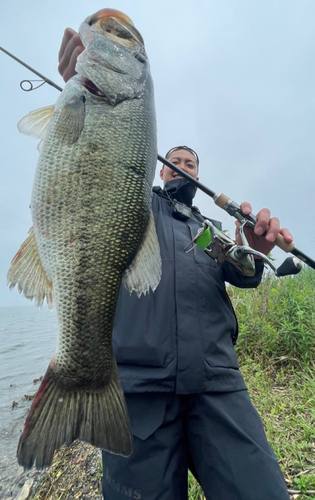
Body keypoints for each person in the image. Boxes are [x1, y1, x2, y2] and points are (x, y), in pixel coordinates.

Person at [58, 27, 293, 500]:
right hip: (140, 393)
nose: (183, 165)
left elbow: (241, 277)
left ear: (199, 174)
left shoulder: (207, 227)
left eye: (192, 161)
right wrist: (86, 97)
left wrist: (254, 253)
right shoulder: (135, 202)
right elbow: (93, 171)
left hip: (218, 386)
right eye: (176, 160)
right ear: (161, 169)